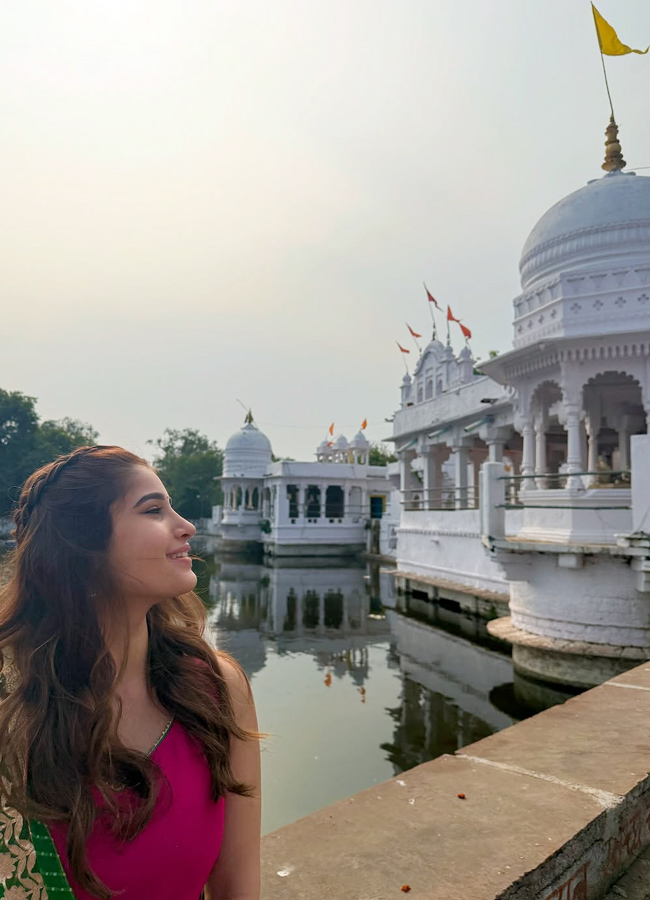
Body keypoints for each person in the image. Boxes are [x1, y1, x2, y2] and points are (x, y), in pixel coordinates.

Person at [0, 445, 261, 900]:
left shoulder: (215, 689)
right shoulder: (12, 705)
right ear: (84, 546)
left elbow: (237, 882)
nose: (186, 527)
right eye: (154, 509)